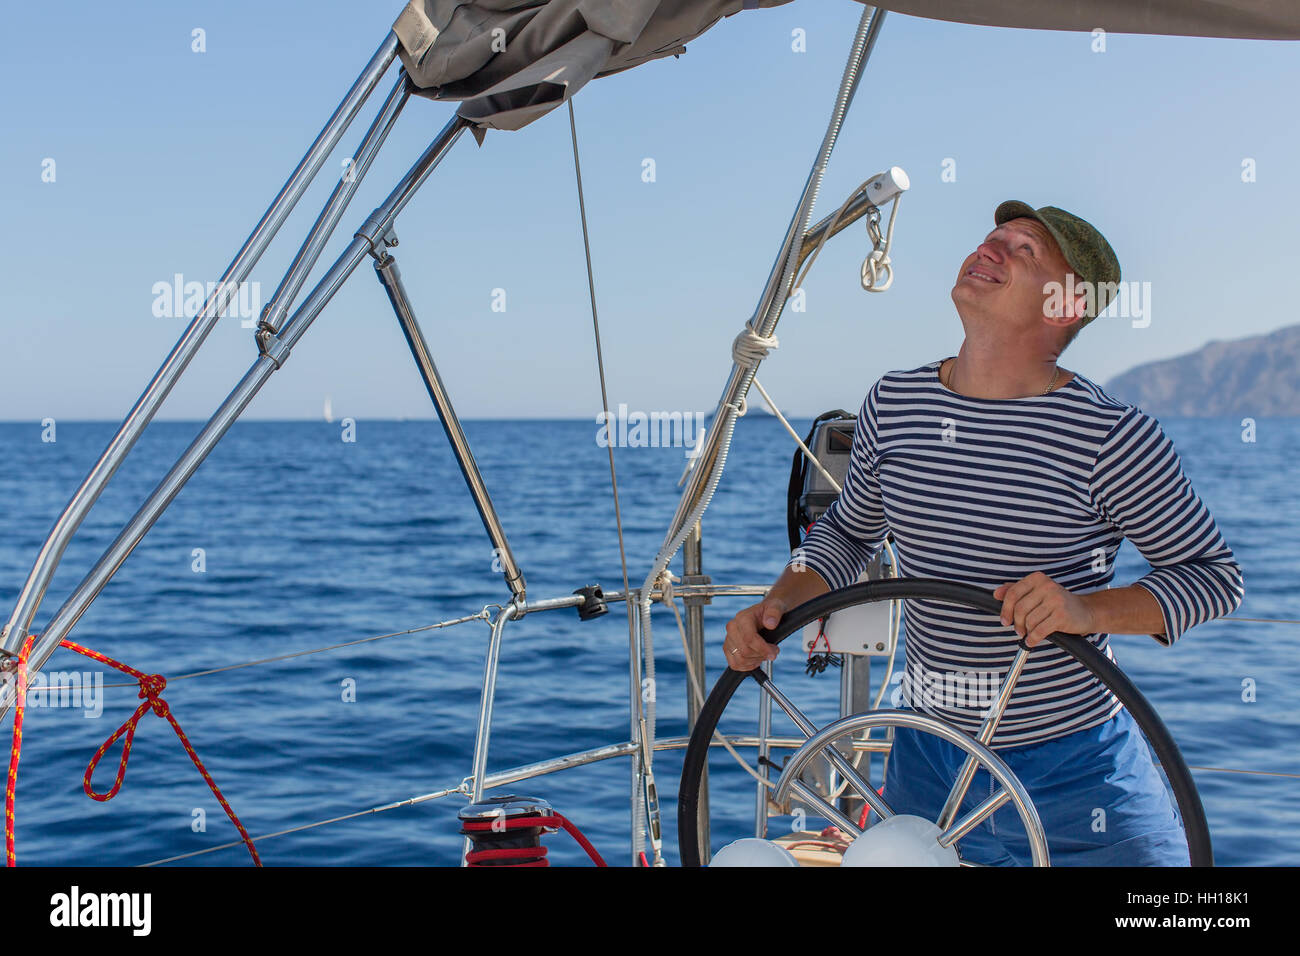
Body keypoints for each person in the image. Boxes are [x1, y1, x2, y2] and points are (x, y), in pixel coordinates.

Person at [722, 200, 1244, 865]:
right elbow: (850, 535)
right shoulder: (894, 402)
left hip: (1077, 769)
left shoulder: (1110, 437)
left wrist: (1084, 610)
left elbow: (1213, 578)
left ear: (1064, 306)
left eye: (1023, 250)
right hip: (928, 760)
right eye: (993, 238)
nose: (991, 248)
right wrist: (780, 603)